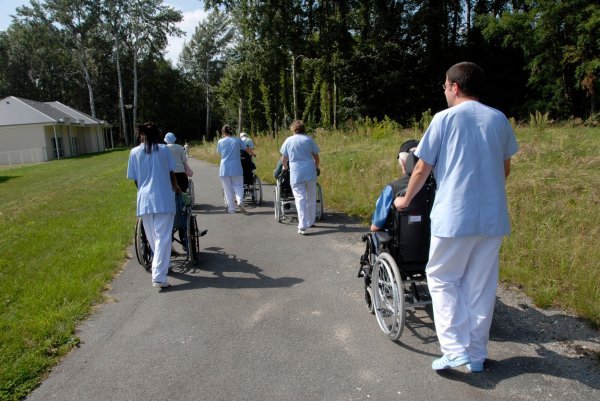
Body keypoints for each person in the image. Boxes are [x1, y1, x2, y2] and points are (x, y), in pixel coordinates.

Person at [394, 62, 519, 372]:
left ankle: (453, 350)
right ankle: (476, 355)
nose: (444, 90)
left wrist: (406, 199)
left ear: (455, 86)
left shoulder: (444, 119)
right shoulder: (499, 119)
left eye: (445, 86)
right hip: (492, 219)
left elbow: (421, 167)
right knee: (481, 286)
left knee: (441, 279)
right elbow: (504, 168)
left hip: (454, 216)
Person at [127, 122, 181, 289]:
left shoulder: (134, 152)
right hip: (163, 197)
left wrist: (143, 191)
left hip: (144, 199)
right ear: (157, 135)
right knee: (163, 238)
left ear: (141, 135)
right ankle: (158, 276)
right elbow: (171, 172)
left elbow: (135, 178)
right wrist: (176, 187)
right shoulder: (164, 150)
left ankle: (161, 266)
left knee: (153, 238)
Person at [369, 139, 419, 233]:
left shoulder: (393, 188)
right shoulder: (436, 185)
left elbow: (376, 226)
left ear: (403, 162)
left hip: (401, 242)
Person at [279, 120, 320, 235]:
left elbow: (283, 159)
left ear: (293, 129)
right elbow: (316, 157)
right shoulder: (309, 139)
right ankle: (310, 221)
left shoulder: (288, 140)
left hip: (296, 172)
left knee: (299, 198)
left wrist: (285, 167)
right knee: (311, 197)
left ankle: (302, 224)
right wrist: (316, 167)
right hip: (309, 171)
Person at [217, 124, 249, 214]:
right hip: (236, 167)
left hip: (224, 168)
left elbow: (219, 152)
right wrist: (253, 153)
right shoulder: (237, 140)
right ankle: (239, 201)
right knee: (238, 186)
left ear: (223, 132)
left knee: (228, 189)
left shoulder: (220, 141)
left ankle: (231, 209)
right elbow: (246, 148)